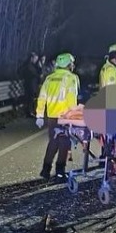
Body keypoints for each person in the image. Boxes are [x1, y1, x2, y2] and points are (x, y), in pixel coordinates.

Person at [35, 52, 80, 181]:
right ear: (68, 65)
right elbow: (71, 99)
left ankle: (45, 169)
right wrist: (75, 116)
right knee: (64, 144)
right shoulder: (71, 78)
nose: (73, 65)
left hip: (52, 117)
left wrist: (39, 115)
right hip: (65, 117)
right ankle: (60, 172)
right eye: (71, 63)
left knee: (53, 142)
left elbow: (42, 98)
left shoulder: (49, 78)